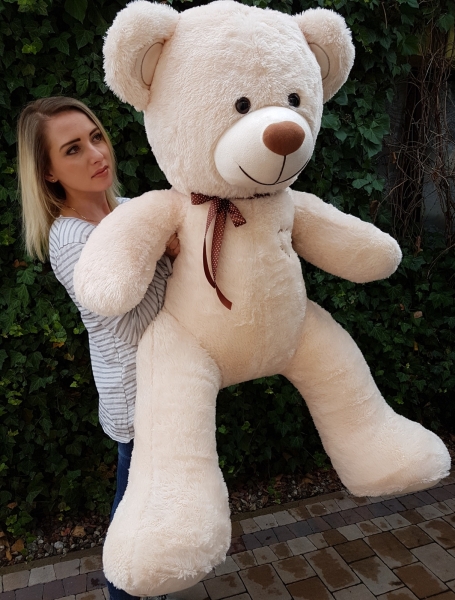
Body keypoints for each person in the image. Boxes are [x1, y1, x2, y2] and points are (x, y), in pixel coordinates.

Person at [17, 96, 181, 600]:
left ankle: (151, 585)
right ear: (48, 172)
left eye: (95, 137)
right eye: (73, 149)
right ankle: (124, 592)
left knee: (161, 511)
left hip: (171, 385)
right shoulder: (70, 239)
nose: (95, 153)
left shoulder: (129, 210)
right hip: (137, 399)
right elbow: (130, 324)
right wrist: (166, 251)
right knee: (134, 520)